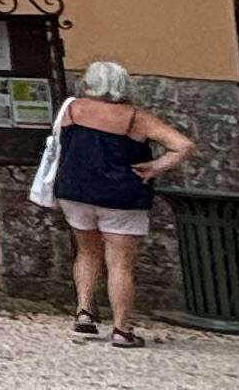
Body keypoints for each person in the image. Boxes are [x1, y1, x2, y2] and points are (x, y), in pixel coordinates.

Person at [40, 60, 193, 346]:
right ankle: (122, 329)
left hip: (76, 191)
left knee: (86, 252)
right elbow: (183, 146)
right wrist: (156, 166)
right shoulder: (136, 118)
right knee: (120, 263)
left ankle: (84, 312)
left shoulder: (72, 110)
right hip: (121, 195)